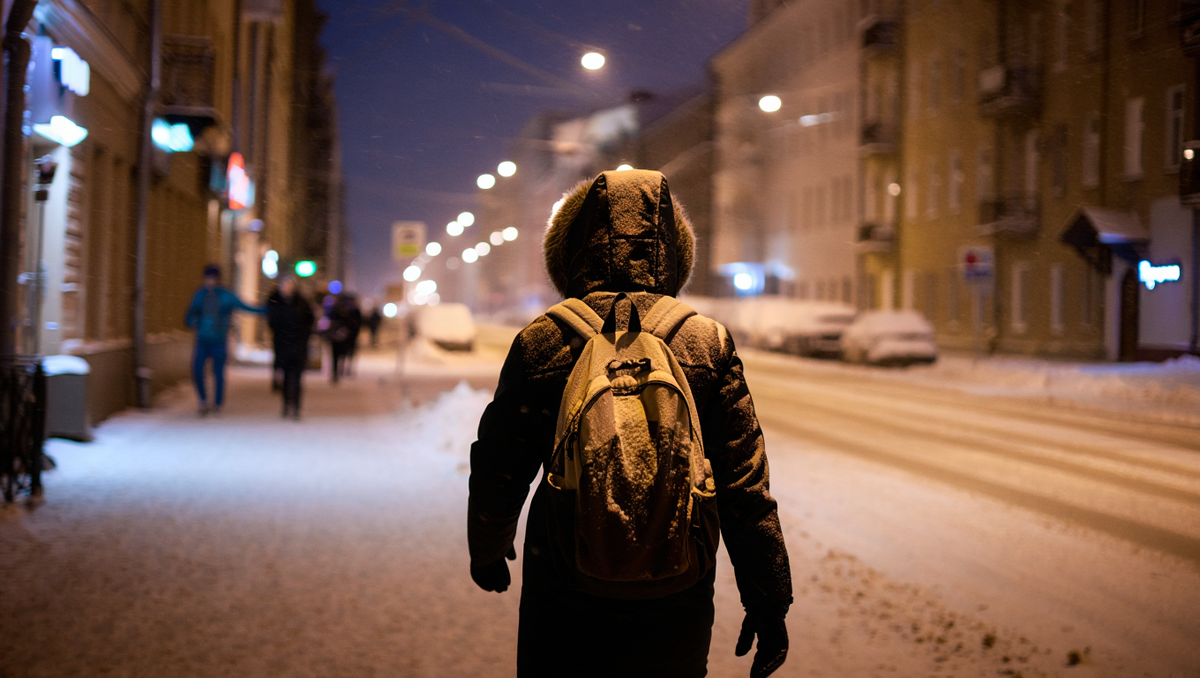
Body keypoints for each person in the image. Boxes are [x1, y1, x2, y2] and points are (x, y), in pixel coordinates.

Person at [467, 170, 792, 678]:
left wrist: (487, 546)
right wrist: (768, 597)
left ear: (572, 249)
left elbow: (499, 463)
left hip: (564, 587)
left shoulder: (544, 339)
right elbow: (744, 485)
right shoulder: (706, 343)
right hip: (675, 592)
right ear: (674, 251)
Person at [185, 264, 265, 416]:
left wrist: (265, 310)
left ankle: (217, 404)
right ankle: (202, 400)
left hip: (219, 340)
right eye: (208, 278)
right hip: (202, 340)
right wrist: (191, 321)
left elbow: (244, 306)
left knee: (218, 373)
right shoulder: (200, 295)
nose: (210, 281)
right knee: (197, 370)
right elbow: (191, 312)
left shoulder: (226, 296)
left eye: (213, 278)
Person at [267, 275, 315, 419]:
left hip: (298, 344)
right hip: (282, 345)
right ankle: (286, 405)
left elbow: (310, 319)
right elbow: (272, 321)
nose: (287, 288)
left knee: (298, 378)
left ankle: (296, 407)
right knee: (286, 377)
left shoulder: (301, 302)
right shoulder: (275, 301)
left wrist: (304, 334)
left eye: (289, 285)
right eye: (284, 285)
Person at [326, 293, 362, 383]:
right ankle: (338, 372)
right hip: (342, 337)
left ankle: (338, 372)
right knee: (341, 355)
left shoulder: (343, 310)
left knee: (338, 355)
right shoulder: (346, 310)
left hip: (343, 337)